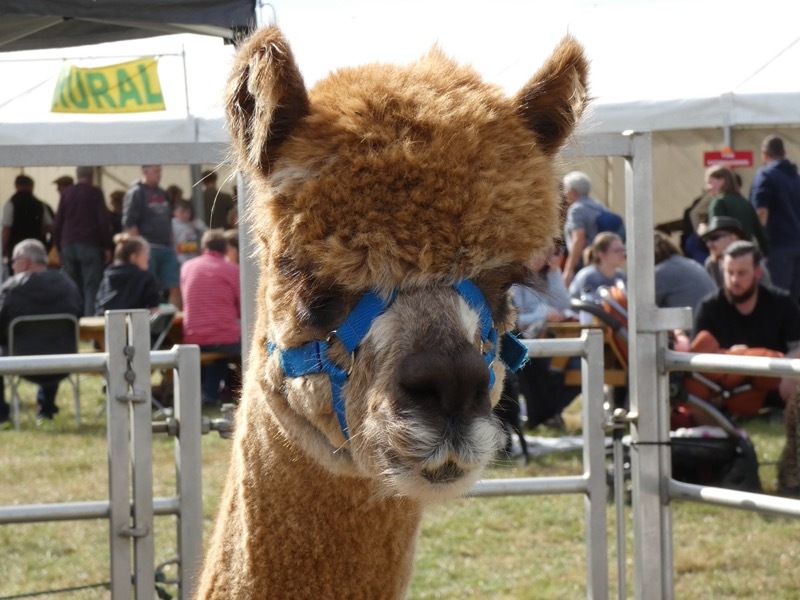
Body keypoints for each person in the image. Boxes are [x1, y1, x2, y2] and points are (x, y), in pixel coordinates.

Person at [693, 240, 800, 495]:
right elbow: (695, 359)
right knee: (693, 393)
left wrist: (778, 364)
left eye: (742, 273)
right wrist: (730, 356)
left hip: (772, 380)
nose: (734, 280)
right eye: (729, 273)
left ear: (758, 273)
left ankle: (793, 470)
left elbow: (797, 346)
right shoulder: (710, 307)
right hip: (722, 384)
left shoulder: (780, 302)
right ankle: (719, 466)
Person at [0, 239, 81, 425]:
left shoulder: (10, 290)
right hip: (63, 363)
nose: (11, 266)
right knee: (53, 341)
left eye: (14, 260)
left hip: (20, 362)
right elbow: (78, 316)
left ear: (25, 262)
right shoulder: (68, 286)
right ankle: (46, 409)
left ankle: (1, 413)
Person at [180, 229, 241, 405]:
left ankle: (207, 393)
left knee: (215, 347)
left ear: (203, 247)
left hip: (193, 334)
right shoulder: (232, 270)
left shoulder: (187, 267)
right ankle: (219, 392)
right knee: (233, 343)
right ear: (226, 249)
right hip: (223, 336)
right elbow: (241, 307)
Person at [52, 166, 113, 316]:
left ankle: (72, 320)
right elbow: (102, 220)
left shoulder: (66, 193)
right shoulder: (95, 193)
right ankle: (88, 322)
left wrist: (58, 247)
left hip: (68, 244)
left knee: (72, 286)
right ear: (92, 176)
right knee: (91, 286)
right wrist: (107, 246)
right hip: (89, 244)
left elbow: (58, 221)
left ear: (77, 176)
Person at [122, 164, 181, 307]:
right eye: (156, 171)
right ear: (145, 171)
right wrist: (139, 247)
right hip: (148, 248)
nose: (159, 174)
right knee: (148, 286)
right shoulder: (136, 192)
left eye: (160, 170)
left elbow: (169, 221)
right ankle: (149, 322)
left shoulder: (163, 192)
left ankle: (174, 321)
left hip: (166, 247)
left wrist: (173, 244)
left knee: (174, 286)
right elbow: (129, 222)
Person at [750, 135, 800, 298]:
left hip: (777, 247)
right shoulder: (796, 178)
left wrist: (758, 244)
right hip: (797, 244)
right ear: (784, 152)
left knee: (777, 298)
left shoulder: (765, 175)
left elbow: (761, 212)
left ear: (764, 155)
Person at [653, 230, 716, 350]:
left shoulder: (661, 272)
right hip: (711, 332)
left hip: (691, 339)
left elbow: (639, 308)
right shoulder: (689, 263)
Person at [561, 171, 614, 286]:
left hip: (583, 262)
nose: (564, 193)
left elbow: (578, 239)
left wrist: (569, 269)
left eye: (565, 188)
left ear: (572, 191)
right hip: (602, 261)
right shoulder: (599, 206)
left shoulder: (576, 209)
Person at [705, 165, 768, 253]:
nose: (707, 188)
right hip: (746, 254)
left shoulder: (718, 202)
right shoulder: (745, 203)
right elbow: (761, 235)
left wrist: (703, 231)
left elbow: (715, 235)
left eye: (710, 182)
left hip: (727, 256)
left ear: (722, 181)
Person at [95, 233, 160, 315]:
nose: (148, 257)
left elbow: (98, 306)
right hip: (136, 326)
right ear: (133, 257)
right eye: (145, 253)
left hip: (106, 325)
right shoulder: (146, 278)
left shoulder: (107, 276)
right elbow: (154, 311)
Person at [700, 216, 772, 288]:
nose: (709, 244)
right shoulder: (711, 265)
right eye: (707, 240)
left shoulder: (753, 262)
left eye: (714, 238)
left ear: (732, 238)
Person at [2, 175, 52, 271]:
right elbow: (50, 226)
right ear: (32, 186)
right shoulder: (40, 204)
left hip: (17, 249)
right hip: (37, 248)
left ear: (16, 186)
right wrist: (40, 232)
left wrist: (3, 248)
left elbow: (6, 229)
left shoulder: (11, 204)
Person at [568, 232, 627, 301]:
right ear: (601, 254)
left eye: (622, 250)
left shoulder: (620, 276)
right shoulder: (588, 276)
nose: (623, 254)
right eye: (616, 251)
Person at [172, 199, 207, 266]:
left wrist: (202, 227)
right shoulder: (172, 224)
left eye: (188, 212)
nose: (185, 215)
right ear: (174, 212)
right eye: (182, 212)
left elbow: (209, 235)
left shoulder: (194, 223)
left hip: (194, 258)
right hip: (179, 260)